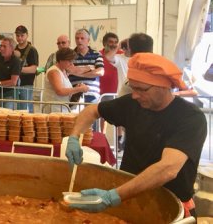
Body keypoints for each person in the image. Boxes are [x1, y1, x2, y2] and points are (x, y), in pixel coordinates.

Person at [65, 53, 206, 218]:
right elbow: (92, 111)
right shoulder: (132, 105)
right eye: (132, 87)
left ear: (162, 86)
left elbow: (167, 169)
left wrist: (112, 196)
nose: (135, 95)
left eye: (141, 89)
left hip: (171, 208)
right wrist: (74, 137)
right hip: (130, 198)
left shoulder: (190, 117)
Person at [42, 48, 89, 113]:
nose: (72, 64)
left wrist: (77, 88)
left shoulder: (63, 71)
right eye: (69, 61)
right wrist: (79, 89)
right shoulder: (54, 72)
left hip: (62, 108)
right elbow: (60, 91)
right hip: (54, 110)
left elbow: (65, 90)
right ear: (61, 60)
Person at [68, 29, 104, 104]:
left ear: (88, 40)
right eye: (77, 38)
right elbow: (69, 70)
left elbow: (100, 72)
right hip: (73, 95)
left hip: (92, 95)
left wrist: (78, 73)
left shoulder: (96, 54)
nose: (79, 40)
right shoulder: (70, 55)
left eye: (82, 38)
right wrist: (90, 68)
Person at [14, 25, 39, 112]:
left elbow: (33, 69)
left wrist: (17, 70)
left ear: (27, 35)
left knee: (26, 109)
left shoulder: (32, 50)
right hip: (14, 84)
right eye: (17, 36)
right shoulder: (14, 49)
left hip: (26, 84)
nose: (20, 38)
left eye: (22, 35)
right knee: (17, 109)